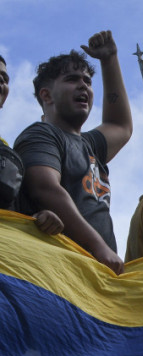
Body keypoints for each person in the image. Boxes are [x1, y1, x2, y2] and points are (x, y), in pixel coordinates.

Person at [14, 31, 132, 274]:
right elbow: (45, 189)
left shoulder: (91, 145)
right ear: (46, 95)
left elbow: (121, 126)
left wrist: (110, 60)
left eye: (88, 81)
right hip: (59, 268)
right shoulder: (41, 134)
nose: (83, 86)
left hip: (99, 270)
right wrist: (99, 248)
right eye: (72, 79)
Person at [0, 54, 63, 235]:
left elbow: (14, 210)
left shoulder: (9, 158)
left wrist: (38, 218)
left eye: (5, 79)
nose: (1, 81)